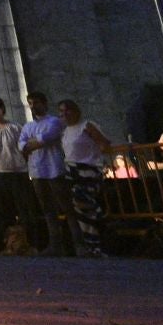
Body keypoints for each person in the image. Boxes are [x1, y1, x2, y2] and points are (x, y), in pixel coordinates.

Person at [0, 95, 41, 252]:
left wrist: (20, 164)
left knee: (25, 210)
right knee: (4, 211)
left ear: (2, 109)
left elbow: (24, 150)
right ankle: (9, 245)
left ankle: (31, 244)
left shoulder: (15, 128)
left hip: (18, 173)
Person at [20, 91, 73, 257]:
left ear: (44, 103)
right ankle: (56, 245)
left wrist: (32, 143)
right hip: (37, 172)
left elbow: (46, 138)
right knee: (48, 210)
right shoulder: (28, 126)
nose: (33, 106)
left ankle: (78, 244)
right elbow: (21, 144)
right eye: (30, 103)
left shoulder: (54, 121)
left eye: (36, 102)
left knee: (67, 208)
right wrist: (33, 142)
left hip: (55, 170)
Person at [57, 99, 113, 259]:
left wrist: (100, 157)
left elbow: (104, 144)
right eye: (61, 111)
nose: (64, 114)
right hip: (72, 171)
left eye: (67, 110)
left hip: (88, 170)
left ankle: (97, 241)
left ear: (75, 111)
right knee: (80, 209)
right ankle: (92, 244)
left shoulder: (86, 126)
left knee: (83, 203)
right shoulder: (66, 132)